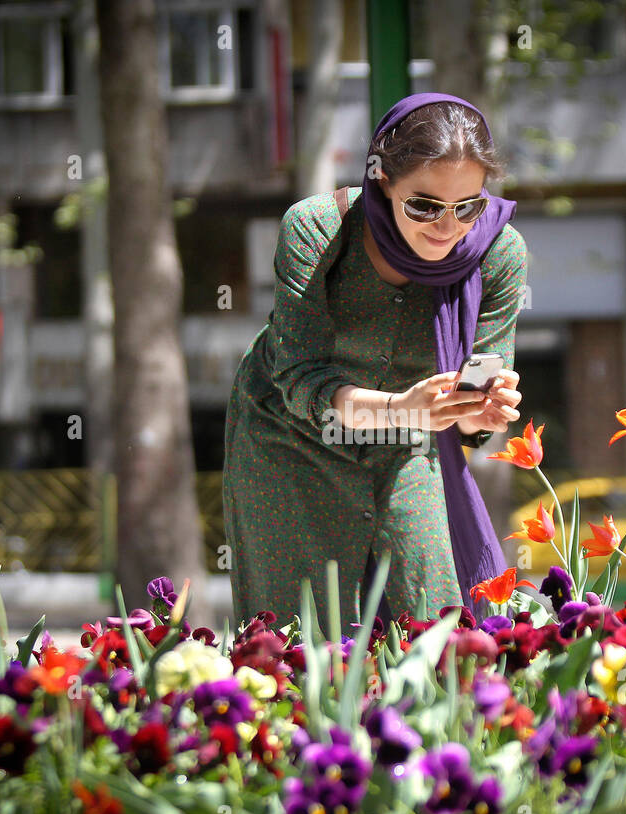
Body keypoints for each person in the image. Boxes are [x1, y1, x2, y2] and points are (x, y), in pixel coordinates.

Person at [222, 92, 529, 630]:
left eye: (468, 206)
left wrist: (476, 415)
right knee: (298, 639)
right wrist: (401, 408)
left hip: (407, 444)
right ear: (382, 179)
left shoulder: (497, 253)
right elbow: (300, 378)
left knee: (439, 623)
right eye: (424, 205)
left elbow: (476, 391)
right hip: (288, 439)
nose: (447, 226)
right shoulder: (317, 229)